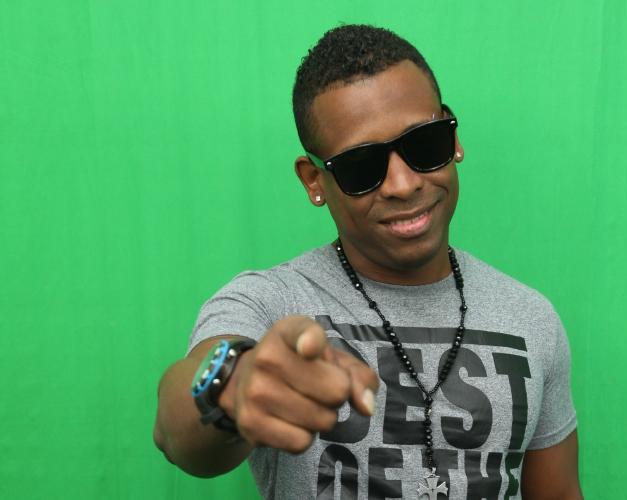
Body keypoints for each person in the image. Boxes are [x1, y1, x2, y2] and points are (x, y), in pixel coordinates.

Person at [154, 24, 583, 500]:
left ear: (454, 136)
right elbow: (175, 432)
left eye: (425, 144)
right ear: (314, 180)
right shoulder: (272, 303)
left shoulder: (531, 317)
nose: (403, 184)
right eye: (362, 166)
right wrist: (231, 389)